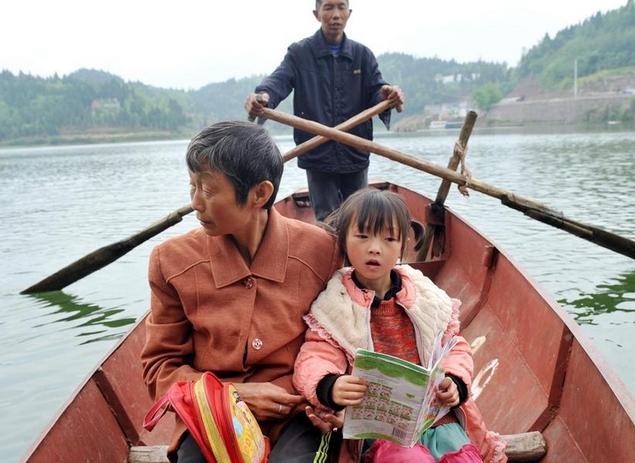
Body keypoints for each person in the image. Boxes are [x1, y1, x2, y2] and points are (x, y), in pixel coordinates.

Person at [141, 121, 343, 462]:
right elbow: (160, 368)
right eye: (192, 187)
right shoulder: (171, 262)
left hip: (300, 411)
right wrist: (234, 395)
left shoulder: (321, 250)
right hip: (211, 413)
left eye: (207, 190)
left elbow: (344, 335)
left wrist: (327, 393)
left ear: (259, 194)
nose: (195, 203)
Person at [292, 188, 508, 462]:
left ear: (403, 244)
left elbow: (455, 347)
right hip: (379, 431)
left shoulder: (424, 294)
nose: (375, 247)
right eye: (362, 236)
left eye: (389, 238)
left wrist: (454, 382)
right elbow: (315, 355)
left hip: (435, 418)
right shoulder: (336, 303)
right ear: (343, 239)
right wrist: (330, 386)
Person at [245, 0, 405, 223]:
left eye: (341, 7)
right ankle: (329, 255)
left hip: (355, 149)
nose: (336, 15)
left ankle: (354, 258)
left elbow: (377, 91)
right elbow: (278, 81)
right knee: (327, 220)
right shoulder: (300, 53)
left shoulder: (363, 55)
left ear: (349, 13)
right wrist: (262, 97)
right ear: (316, 14)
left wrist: (388, 94)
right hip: (317, 151)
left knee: (359, 218)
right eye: (328, 8)